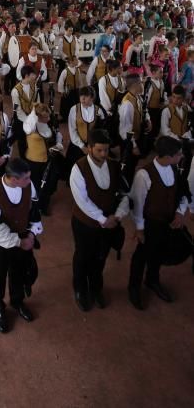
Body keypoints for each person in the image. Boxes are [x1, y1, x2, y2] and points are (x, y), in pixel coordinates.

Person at [128, 136, 191, 310]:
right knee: (141, 256)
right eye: (178, 154)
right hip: (150, 224)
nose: (181, 157)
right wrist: (139, 229)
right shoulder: (144, 174)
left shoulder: (174, 169)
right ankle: (134, 287)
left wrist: (179, 212)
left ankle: (152, 280)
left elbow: (182, 192)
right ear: (167, 156)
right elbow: (137, 204)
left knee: (159, 252)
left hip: (167, 222)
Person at [70, 129, 129, 312]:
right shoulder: (78, 168)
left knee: (101, 256)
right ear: (89, 149)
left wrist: (118, 215)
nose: (104, 154)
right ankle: (80, 288)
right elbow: (82, 201)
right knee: (83, 256)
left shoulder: (113, 165)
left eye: (106, 150)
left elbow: (124, 193)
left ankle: (96, 287)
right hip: (85, 223)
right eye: (99, 150)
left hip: (109, 222)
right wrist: (103, 219)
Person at [0, 158, 42, 333]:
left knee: (19, 271)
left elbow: (34, 211)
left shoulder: (27, 186)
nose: (30, 181)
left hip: (23, 237)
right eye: (26, 178)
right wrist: (19, 242)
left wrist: (32, 233)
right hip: (1, 243)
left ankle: (17, 301)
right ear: (14, 179)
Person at [23, 102, 64, 215]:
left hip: (48, 160)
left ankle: (44, 206)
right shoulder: (29, 126)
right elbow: (29, 125)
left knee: (48, 184)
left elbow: (58, 135)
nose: (48, 118)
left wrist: (59, 144)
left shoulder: (48, 124)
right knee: (34, 186)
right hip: (33, 161)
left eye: (48, 116)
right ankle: (34, 208)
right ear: (38, 116)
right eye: (46, 116)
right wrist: (34, 111)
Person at [67, 87, 105, 166]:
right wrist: (82, 146)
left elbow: (101, 131)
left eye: (86, 96)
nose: (83, 99)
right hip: (77, 145)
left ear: (92, 97)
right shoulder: (74, 109)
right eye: (81, 96)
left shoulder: (99, 111)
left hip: (93, 146)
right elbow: (72, 130)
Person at [11, 66, 38, 159]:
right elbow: (18, 110)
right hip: (21, 119)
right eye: (33, 74)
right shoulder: (15, 91)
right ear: (26, 76)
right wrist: (28, 121)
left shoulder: (34, 86)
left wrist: (34, 116)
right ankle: (23, 158)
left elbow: (37, 102)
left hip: (33, 116)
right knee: (22, 141)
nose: (35, 76)